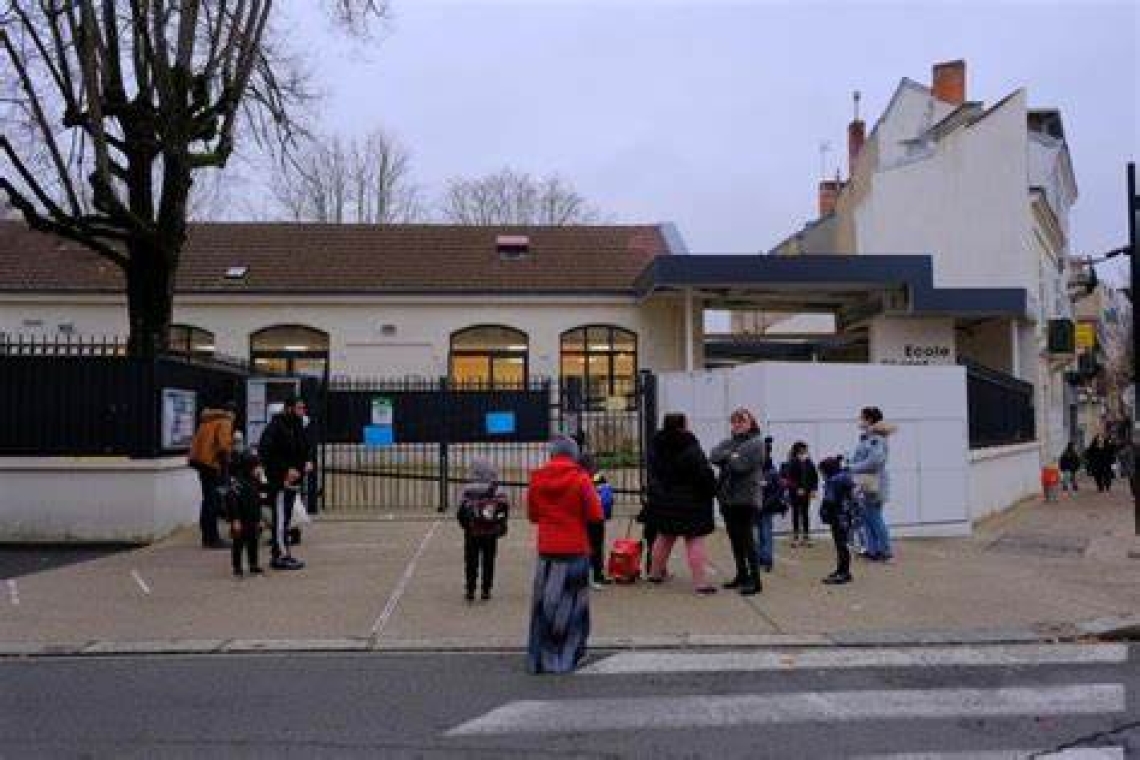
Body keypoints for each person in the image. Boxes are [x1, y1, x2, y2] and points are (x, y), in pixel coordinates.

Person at [526, 436, 603, 674]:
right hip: (575, 548)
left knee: (545, 605)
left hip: (548, 549)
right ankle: (569, 654)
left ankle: (541, 656)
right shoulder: (580, 479)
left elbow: (532, 515)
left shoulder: (537, 478)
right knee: (574, 606)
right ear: (574, 454)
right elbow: (595, 514)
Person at [644, 413, 718, 595]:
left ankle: (654, 574)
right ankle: (700, 584)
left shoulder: (656, 444)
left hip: (664, 498)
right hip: (691, 500)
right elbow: (702, 473)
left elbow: (653, 471)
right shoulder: (690, 444)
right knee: (694, 540)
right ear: (683, 425)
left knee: (664, 537)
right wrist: (712, 488)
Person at [709, 408, 765, 596]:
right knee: (735, 540)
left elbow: (741, 466)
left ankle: (755, 581)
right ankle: (741, 575)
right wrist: (730, 455)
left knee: (747, 540)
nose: (737, 425)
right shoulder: (730, 442)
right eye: (734, 422)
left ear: (751, 423)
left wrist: (729, 457)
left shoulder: (756, 443)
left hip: (746, 499)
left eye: (742, 421)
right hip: (728, 498)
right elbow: (713, 455)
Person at [257, 396, 308, 570]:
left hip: (294, 481)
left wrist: (307, 462)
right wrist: (286, 470)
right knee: (280, 519)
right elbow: (266, 452)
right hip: (280, 481)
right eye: (299, 408)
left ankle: (285, 553)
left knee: (286, 519)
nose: (302, 411)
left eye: (303, 408)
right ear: (289, 408)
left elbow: (302, 448)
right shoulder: (275, 427)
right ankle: (279, 556)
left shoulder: (297, 426)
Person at [848, 406, 896, 563]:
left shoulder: (876, 439)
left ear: (869, 419)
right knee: (868, 517)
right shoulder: (869, 438)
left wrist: (852, 467)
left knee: (874, 517)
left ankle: (886, 551)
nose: (859, 420)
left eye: (861, 417)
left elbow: (875, 461)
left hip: (874, 483)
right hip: (868, 483)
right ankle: (872, 550)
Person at [456, 460, 509, 601]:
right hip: (490, 531)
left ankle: (470, 589)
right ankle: (486, 589)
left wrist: (466, 527)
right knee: (489, 560)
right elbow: (503, 509)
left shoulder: (467, 489)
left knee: (471, 560)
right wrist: (501, 525)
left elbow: (460, 512)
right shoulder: (497, 488)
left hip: (472, 532)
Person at [188, 402, 237, 549]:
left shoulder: (207, 419)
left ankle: (207, 536)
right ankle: (212, 538)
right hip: (212, 465)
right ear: (232, 413)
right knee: (213, 502)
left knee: (207, 500)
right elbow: (223, 446)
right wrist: (226, 466)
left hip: (201, 463)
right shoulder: (225, 421)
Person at [225, 451, 265, 578]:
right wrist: (235, 519)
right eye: (256, 466)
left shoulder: (255, 481)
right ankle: (237, 567)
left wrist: (259, 519)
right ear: (249, 467)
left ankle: (253, 564)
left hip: (252, 518)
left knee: (253, 542)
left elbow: (257, 501)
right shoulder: (237, 483)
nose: (259, 469)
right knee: (238, 543)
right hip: (240, 519)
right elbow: (232, 501)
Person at [817, 456, 855, 585]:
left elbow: (830, 500)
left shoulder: (833, 481)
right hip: (845, 515)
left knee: (841, 546)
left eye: (822, 472)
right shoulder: (845, 477)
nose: (821, 475)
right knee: (843, 545)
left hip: (837, 517)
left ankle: (843, 573)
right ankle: (842, 571)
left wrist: (823, 511)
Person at [781, 441, 820, 547]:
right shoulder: (792, 462)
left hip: (806, 492)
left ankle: (806, 537)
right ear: (798, 451)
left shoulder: (809, 462)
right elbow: (788, 478)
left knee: (805, 513)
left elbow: (814, 477)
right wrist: (797, 488)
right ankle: (796, 537)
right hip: (795, 493)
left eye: (806, 450)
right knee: (796, 513)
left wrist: (813, 489)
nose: (805, 452)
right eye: (803, 450)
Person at [588, 471, 614, 589]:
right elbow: (607, 501)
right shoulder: (599, 479)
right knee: (596, 547)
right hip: (596, 518)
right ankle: (597, 575)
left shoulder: (573, 475)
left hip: (578, 517)